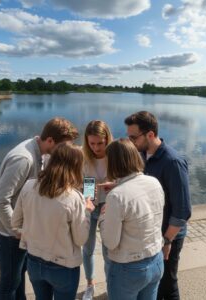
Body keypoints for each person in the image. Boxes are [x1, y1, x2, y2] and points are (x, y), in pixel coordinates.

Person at [0, 117, 78, 300]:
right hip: (7, 233)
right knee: (9, 284)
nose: (64, 151)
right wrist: (19, 231)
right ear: (50, 140)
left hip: (16, 230)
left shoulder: (40, 149)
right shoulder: (24, 159)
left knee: (18, 279)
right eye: (63, 146)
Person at [11, 142, 94, 300]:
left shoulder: (29, 186)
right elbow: (80, 238)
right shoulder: (74, 198)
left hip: (34, 261)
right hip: (63, 266)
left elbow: (15, 223)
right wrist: (87, 211)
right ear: (75, 167)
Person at [124, 111, 192, 300]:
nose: (130, 142)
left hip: (169, 235)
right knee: (154, 281)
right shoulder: (143, 155)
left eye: (133, 137)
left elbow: (183, 211)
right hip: (153, 231)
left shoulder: (173, 162)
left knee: (167, 284)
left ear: (150, 135)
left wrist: (167, 241)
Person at [99, 138, 165, 300]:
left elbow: (110, 243)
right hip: (156, 260)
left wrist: (103, 216)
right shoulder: (154, 182)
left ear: (114, 164)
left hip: (128, 269)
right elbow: (138, 199)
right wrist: (118, 185)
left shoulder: (116, 197)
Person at [81, 120, 113, 300]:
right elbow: (82, 183)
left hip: (109, 207)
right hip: (90, 205)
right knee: (88, 248)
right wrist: (86, 195)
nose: (96, 147)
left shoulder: (115, 155)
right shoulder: (83, 155)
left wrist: (114, 186)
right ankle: (90, 284)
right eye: (91, 143)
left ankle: (110, 283)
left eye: (100, 143)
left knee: (109, 250)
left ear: (107, 138)